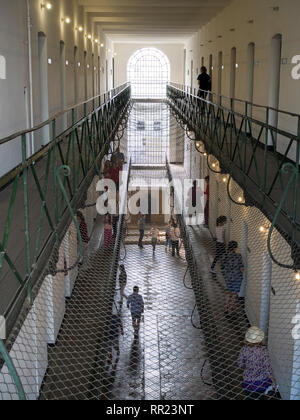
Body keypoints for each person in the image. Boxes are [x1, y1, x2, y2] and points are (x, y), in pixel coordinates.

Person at [238, 327, 276, 400]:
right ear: (260, 339)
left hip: (248, 383)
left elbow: (240, 364)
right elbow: (267, 368)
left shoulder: (244, 349)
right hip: (262, 383)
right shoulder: (263, 351)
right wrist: (273, 381)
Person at [223, 241, 244, 315]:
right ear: (235, 247)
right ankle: (230, 311)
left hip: (228, 277)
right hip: (237, 277)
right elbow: (241, 268)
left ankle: (226, 308)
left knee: (228, 293)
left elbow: (223, 266)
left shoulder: (225, 255)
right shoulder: (238, 256)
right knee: (234, 294)